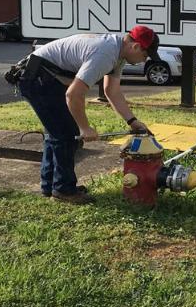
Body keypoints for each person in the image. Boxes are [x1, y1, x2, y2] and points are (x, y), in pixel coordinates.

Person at [18, 26, 158, 204]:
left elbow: (112, 91)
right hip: (36, 78)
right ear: (136, 46)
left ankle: (51, 185)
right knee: (66, 134)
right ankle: (63, 189)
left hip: (48, 78)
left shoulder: (118, 54)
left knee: (57, 133)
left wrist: (132, 121)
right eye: (145, 55)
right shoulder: (105, 54)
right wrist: (84, 128)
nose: (144, 60)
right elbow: (73, 94)